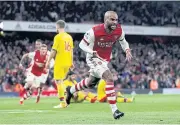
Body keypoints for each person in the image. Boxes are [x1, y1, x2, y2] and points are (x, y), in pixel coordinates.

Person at [66, 11, 132, 119]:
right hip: (93, 57)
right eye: (112, 19)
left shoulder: (119, 30)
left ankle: (70, 90)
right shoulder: (94, 31)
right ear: (105, 20)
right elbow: (81, 44)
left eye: (116, 20)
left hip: (105, 59)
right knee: (109, 77)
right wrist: (91, 52)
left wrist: (127, 50)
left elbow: (123, 41)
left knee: (91, 83)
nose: (115, 22)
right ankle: (115, 110)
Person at [45, 20, 74, 108]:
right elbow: (71, 51)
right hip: (67, 62)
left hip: (60, 62)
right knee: (62, 81)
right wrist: (71, 62)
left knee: (58, 81)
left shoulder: (58, 37)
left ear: (57, 26)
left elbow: (54, 50)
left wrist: (48, 61)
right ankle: (65, 98)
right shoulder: (69, 37)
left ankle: (62, 103)